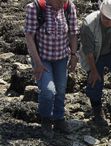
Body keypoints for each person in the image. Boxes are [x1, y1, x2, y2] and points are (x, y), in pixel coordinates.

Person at [24, 0, 78, 136]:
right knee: (48, 91)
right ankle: (46, 119)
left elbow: (73, 33)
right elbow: (29, 37)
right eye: (59, 1)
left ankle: (59, 118)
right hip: (42, 58)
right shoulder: (35, 8)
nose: (62, 4)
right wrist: (37, 63)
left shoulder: (69, 7)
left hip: (61, 58)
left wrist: (73, 55)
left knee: (60, 89)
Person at [79, 0, 111, 123]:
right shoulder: (89, 23)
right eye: (105, 18)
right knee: (95, 80)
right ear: (101, 12)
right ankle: (97, 110)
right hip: (95, 56)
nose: (108, 22)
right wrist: (93, 70)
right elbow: (88, 50)